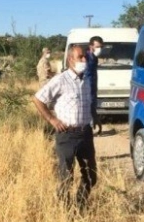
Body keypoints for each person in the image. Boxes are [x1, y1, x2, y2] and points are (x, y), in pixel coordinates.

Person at [33, 45, 97, 211]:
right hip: (67, 135)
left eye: (85, 57)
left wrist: (95, 117)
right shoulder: (61, 80)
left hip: (85, 134)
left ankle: (79, 207)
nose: (84, 60)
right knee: (65, 177)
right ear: (70, 60)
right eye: (80, 57)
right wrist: (52, 120)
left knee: (90, 176)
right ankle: (64, 212)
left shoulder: (86, 80)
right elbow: (38, 99)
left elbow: (89, 102)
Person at [85, 36, 104, 127]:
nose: (99, 49)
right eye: (97, 47)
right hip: (87, 88)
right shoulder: (85, 57)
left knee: (92, 107)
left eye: (100, 47)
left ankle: (92, 124)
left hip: (93, 87)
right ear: (91, 46)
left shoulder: (95, 58)